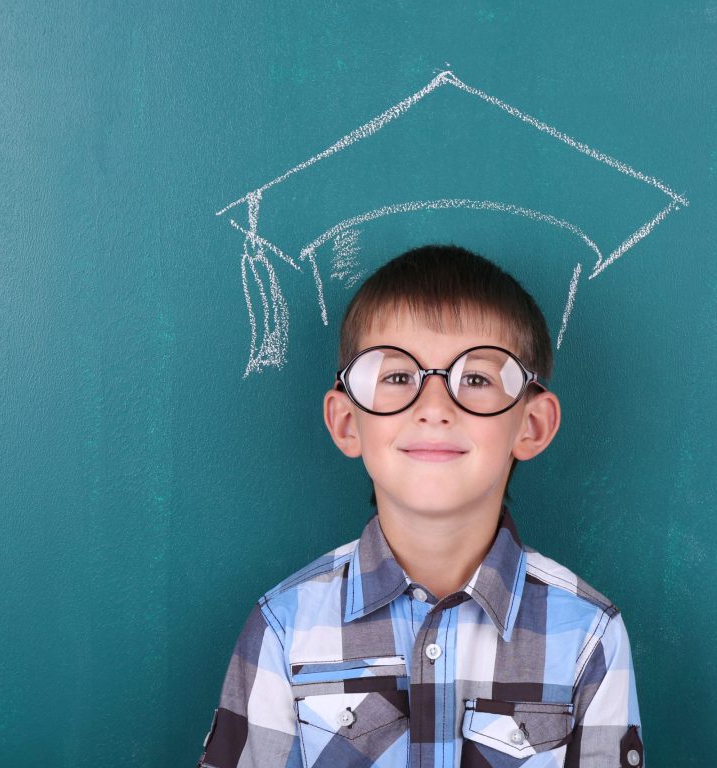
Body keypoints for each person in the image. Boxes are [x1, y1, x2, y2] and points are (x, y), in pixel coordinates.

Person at [197, 245, 643, 767]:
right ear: (346, 422)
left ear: (532, 424)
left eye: (476, 379)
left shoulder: (589, 633)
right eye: (397, 377)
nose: (434, 408)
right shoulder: (285, 626)